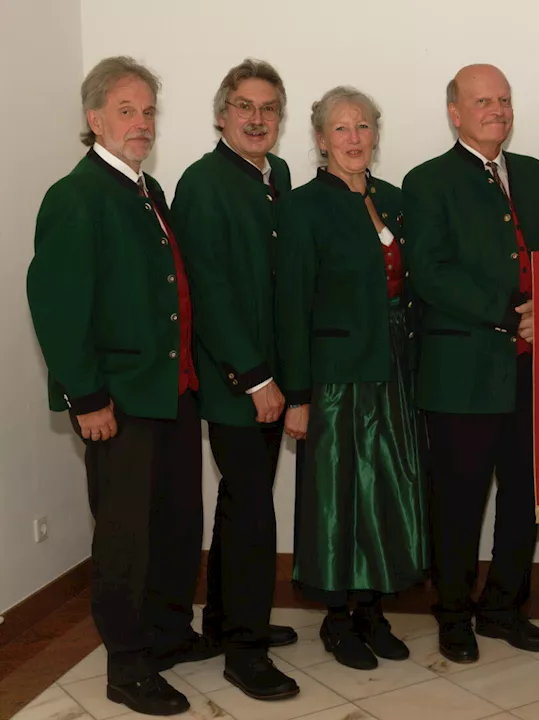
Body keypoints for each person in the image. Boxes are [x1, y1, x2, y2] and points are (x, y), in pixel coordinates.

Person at [26, 56, 212, 716]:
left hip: (172, 392)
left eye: (150, 110)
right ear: (95, 118)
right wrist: (86, 396)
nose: (142, 123)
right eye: (127, 111)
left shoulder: (147, 190)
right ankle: (126, 664)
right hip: (120, 401)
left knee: (177, 524)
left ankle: (164, 634)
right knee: (126, 537)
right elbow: (56, 303)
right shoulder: (76, 196)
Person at [402, 64, 539, 664]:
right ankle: (452, 612)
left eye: (504, 99)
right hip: (463, 375)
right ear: (455, 112)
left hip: (537, 370)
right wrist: (509, 311)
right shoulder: (426, 182)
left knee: (525, 498)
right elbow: (430, 273)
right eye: (482, 101)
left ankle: (504, 606)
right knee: (457, 501)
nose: (496, 110)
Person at [276, 86, 430, 671]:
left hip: (393, 369)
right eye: (340, 129)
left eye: (362, 126)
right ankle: (338, 618)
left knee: (387, 491)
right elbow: (292, 307)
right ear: (320, 139)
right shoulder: (302, 207)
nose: (354, 138)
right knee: (338, 498)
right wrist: (297, 395)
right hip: (336, 378)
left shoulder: (394, 200)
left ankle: (373, 611)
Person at [169, 58, 298, 701]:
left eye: (268, 108)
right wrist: (254, 378)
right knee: (252, 510)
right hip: (236, 383)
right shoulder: (201, 181)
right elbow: (209, 293)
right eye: (244, 107)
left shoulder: (278, 177)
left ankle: (223, 623)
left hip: (268, 377)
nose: (257, 118)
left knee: (239, 502)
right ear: (222, 114)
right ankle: (245, 653)